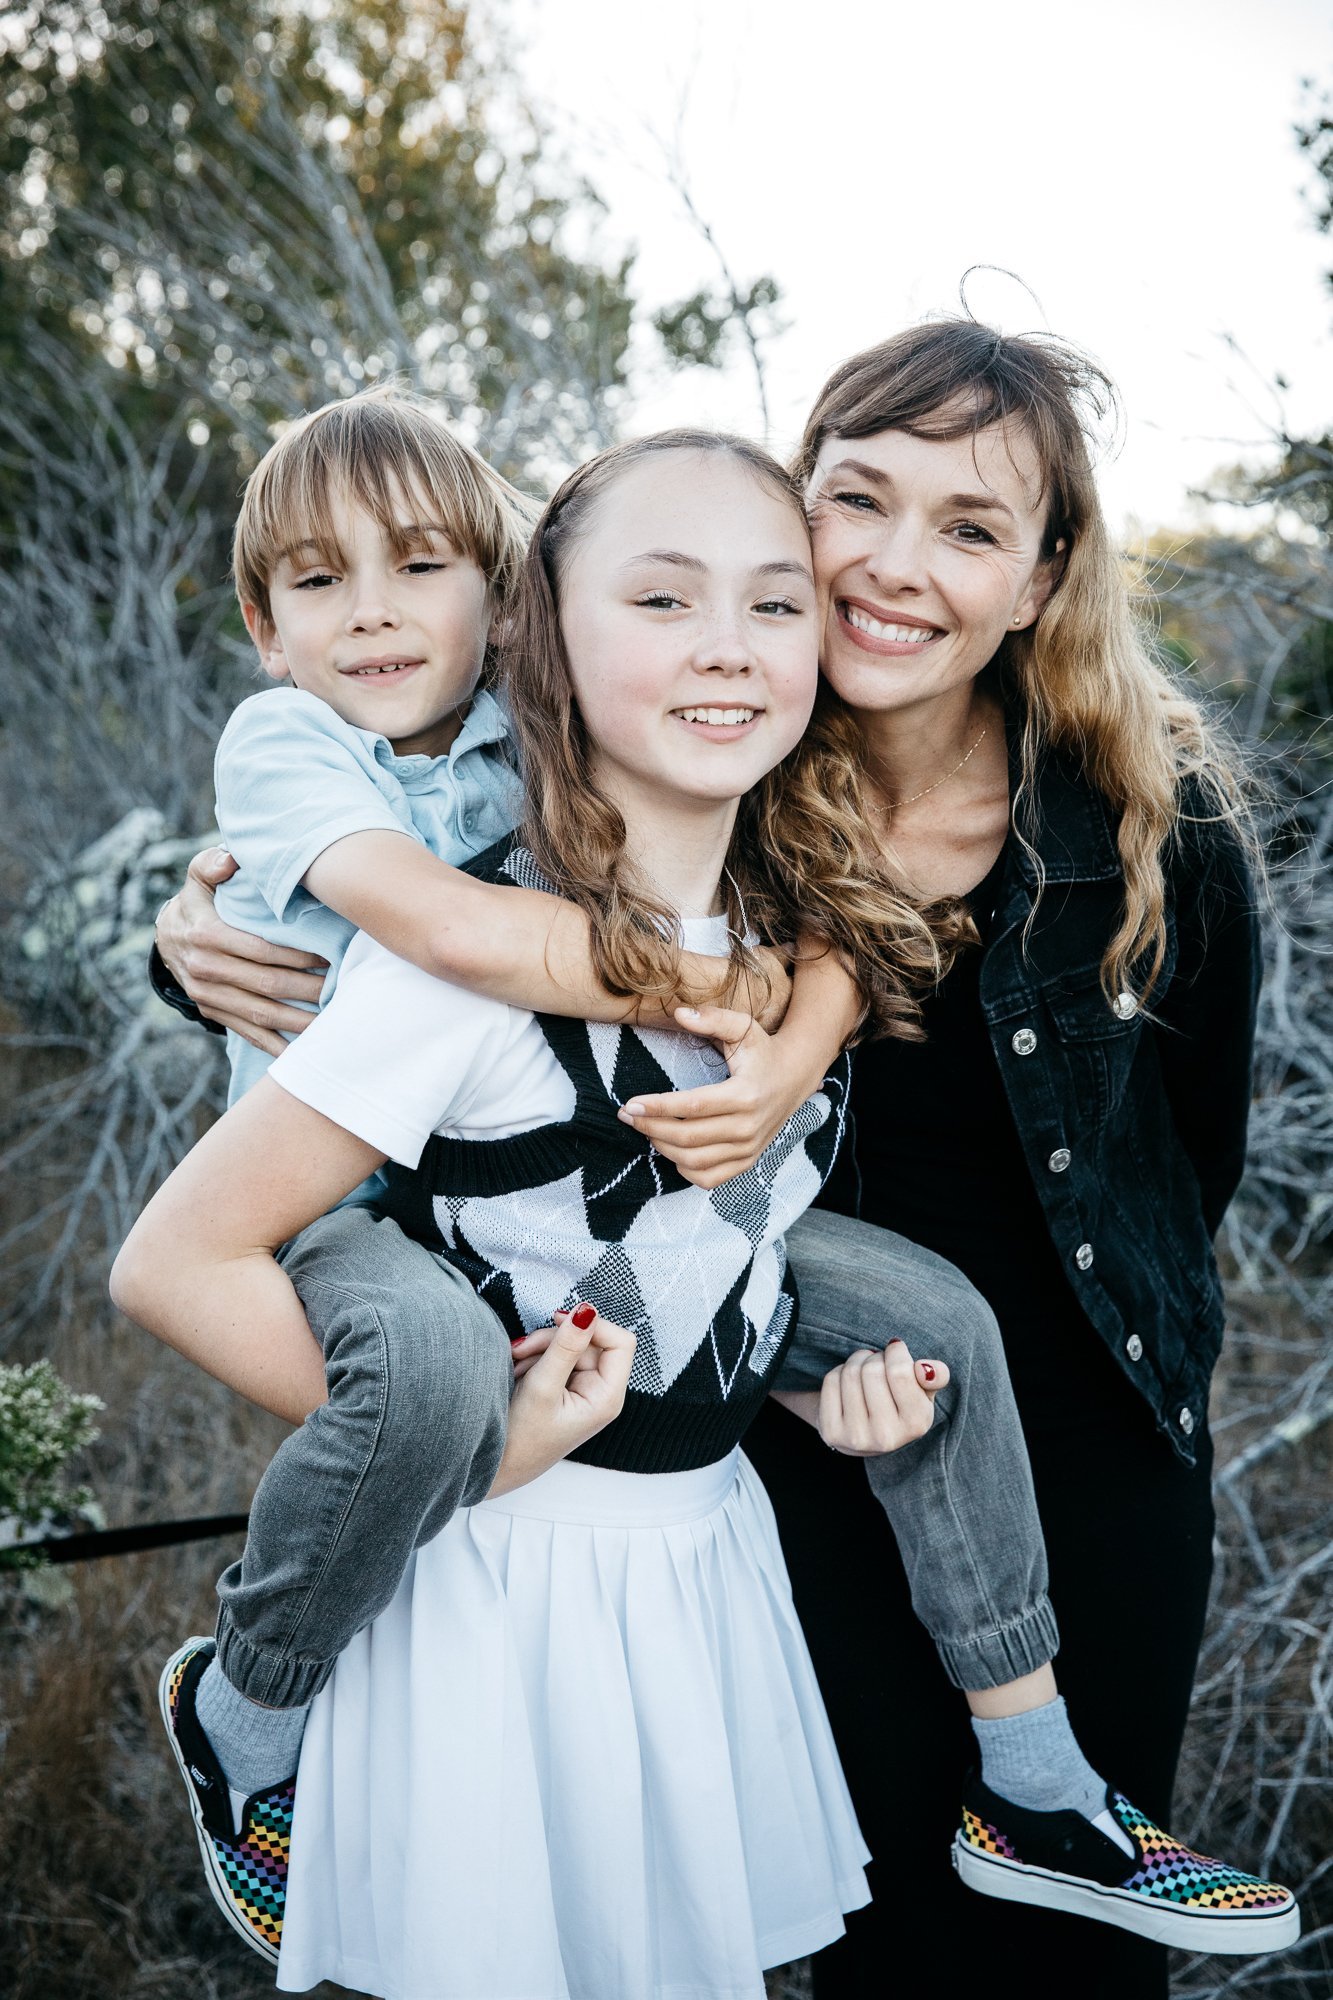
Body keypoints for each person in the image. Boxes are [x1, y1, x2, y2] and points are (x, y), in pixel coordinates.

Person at [128, 427, 1295, 1996]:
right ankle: (245, 1712)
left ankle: (1036, 1780)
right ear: (553, 627)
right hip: (567, 1535)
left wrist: (798, 1323)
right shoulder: (469, 888)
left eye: (769, 606)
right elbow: (413, 963)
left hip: (780, 1500)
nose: (729, 647)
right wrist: (483, 1430)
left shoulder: (817, 859)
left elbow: (1122, 1131)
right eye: (668, 603)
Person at [733, 320, 1274, 2000]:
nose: (895, 569)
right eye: (857, 501)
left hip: (1093, 1475)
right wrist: (210, 922)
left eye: (968, 527)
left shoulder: (1142, 822)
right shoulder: (692, 785)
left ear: (1040, 580)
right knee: (879, 1948)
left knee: (1070, 1968)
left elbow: (1193, 1164)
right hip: (815, 1452)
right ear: (788, 514)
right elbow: (426, 924)